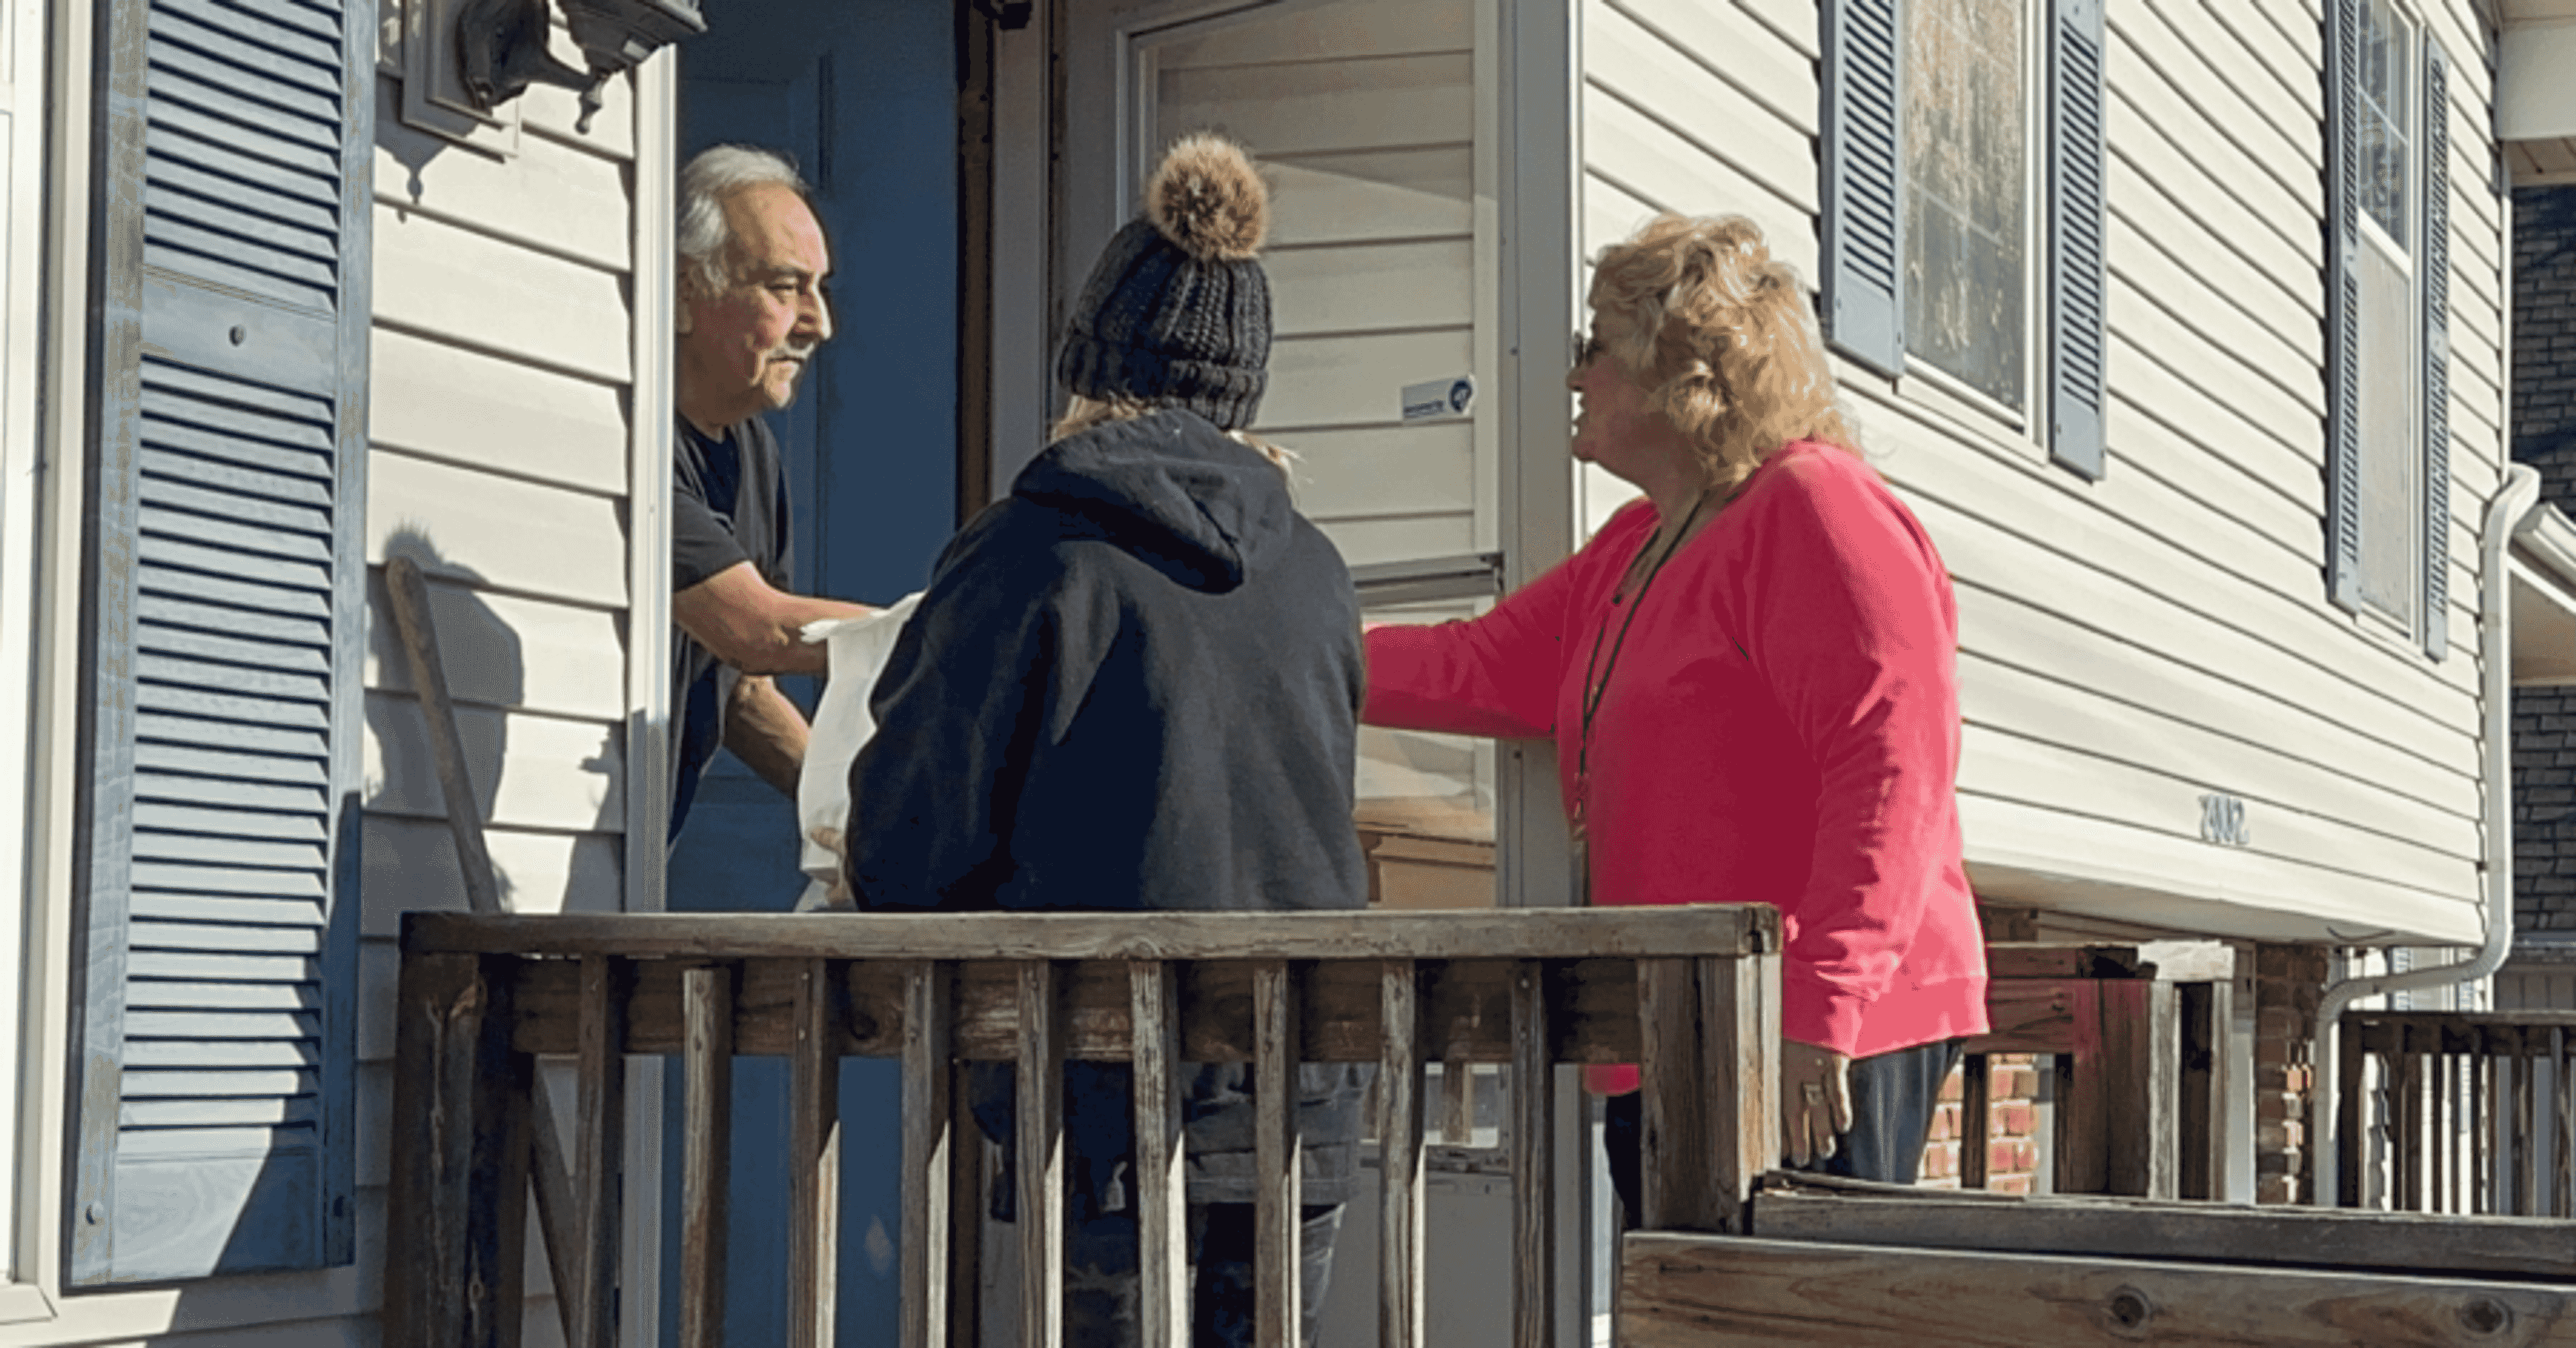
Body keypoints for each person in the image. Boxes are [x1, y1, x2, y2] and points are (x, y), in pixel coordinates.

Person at [843, 135, 1364, 1345]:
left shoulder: (1031, 550)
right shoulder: (1317, 570)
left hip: (1103, 1102)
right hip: (1303, 1100)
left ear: (1087, 363)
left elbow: (912, 839)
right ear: (1243, 392)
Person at [1362, 214, 1990, 1213]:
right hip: (1679, 1024)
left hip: (1803, 1029)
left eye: (1594, 348)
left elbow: (1891, 765)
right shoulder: (1637, 544)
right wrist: (1291, 649)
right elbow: (1478, 664)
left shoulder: (1812, 506)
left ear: (1681, 370)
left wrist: (1824, 1006)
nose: (1574, 376)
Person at [668, 145, 873, 840]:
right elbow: (759, 631)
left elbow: (743, 686)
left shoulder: (751, 447)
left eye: (819, 289)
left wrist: (849, 816)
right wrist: (953, 632)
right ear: (682, 294)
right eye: (786, 289)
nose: (819, 324)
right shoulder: (630, 443)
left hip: (630, 853)